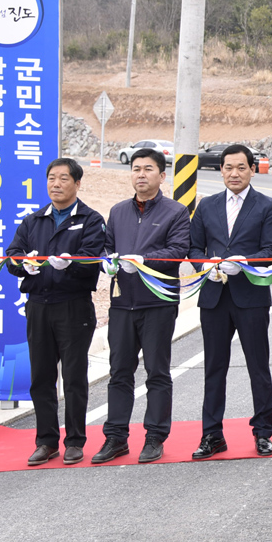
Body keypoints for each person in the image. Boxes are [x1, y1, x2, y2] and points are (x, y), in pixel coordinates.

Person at [92, 148, 191, 465]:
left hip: (158, 303)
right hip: (122, 304)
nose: (141, 174)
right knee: (119, 372)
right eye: (136, 169)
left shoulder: (175, 212)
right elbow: (108, 246)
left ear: (162, 176)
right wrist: (107, 262)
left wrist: (145, 261)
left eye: (149, 169)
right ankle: (116, 437)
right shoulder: (118, 211)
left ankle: (154, 437)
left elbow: (178, 251)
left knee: (157, 372)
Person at [5, 158, 105, 466]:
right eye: (51, 178)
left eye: (63, 178)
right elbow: (12, 255)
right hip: (38, 306)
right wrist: (22, 263)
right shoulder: (34, 220)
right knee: (41, 377)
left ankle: (75, 441)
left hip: (73, 307)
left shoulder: (90, 219)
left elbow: (92, 259)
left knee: (74, 377)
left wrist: (69, 263)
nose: (56, 184)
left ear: (77, 183)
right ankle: (46, 440)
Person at [188, 144, 272, 459]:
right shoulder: (207, 206)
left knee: (258, 366)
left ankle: (263, 432)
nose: (234, 173)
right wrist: (204, 266)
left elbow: (271, 249)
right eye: (228, 167)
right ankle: (211, 434)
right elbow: (194, 247)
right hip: (214, 297)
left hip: (250, 296)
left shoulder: (266, 206)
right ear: (221, 169)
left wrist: (244, 261)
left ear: (251, 170)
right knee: (214, 368)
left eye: (241, 167)